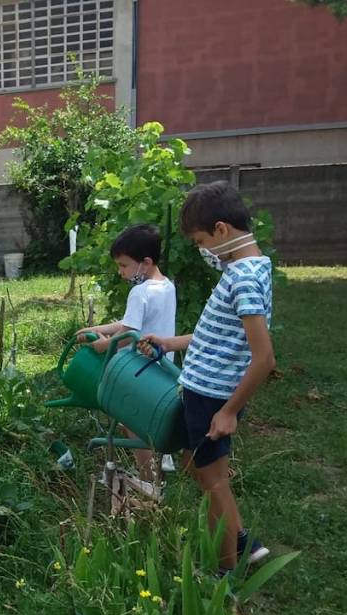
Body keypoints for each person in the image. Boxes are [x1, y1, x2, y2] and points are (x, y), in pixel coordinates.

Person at [139, 181, 274, 571]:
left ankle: (225, 573)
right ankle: (242, 540)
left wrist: (229, 411)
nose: (203, 251)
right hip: (204, 391)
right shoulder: (246, 268)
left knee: (214, 484)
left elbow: (264, 358)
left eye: (201, 241)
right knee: (195, 466)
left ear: (221, 230)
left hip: (213, 397)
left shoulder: (242, 278)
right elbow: (219, 335)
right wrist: (171, 342)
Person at [76, 224, 177, 484]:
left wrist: (103, 345)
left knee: (131, 420)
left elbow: (127, 334)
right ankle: (161, 462)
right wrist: (97, 329)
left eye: (123, 265)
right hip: (162, 369)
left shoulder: (139, 292)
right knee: (148, 419)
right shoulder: (166, 286)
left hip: (139, 369)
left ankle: (147, 476)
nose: (120, 272)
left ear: (145, 262)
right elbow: (129, 323)